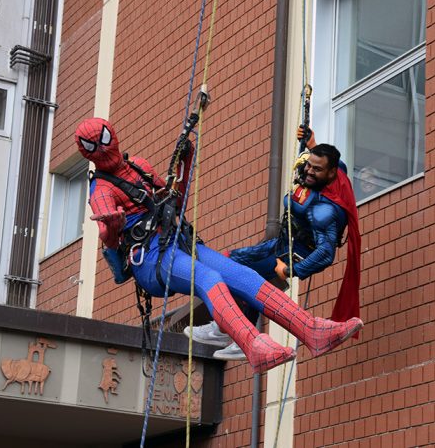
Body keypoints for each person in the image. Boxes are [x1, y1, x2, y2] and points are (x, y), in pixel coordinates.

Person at [75, 117, 363, 374]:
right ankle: (252, 346)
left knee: (243, 273)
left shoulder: (140, 166)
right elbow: (108, 235)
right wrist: (110, 231)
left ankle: (311, 330)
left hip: (178, 242)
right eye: (94, 145)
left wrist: (187, 165)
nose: (102, 149)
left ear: (113, 135)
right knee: (209, 277)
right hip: (150, 259)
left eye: (104, 139)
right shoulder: (101, 190)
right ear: (86, 152)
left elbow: (176, 201)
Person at [185, 126, 362, 361]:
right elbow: (339, 166)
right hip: (282, 242)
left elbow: (326, 254)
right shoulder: (336, 174)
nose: (308, 171)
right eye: (309, 164)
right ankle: (222, 328)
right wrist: (311, 143)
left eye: (316, 169)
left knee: (245, 276)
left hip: (297, 253)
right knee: (227, 261)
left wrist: (290, 270)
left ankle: (240, 336)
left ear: (329, 175)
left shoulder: (324, 211)